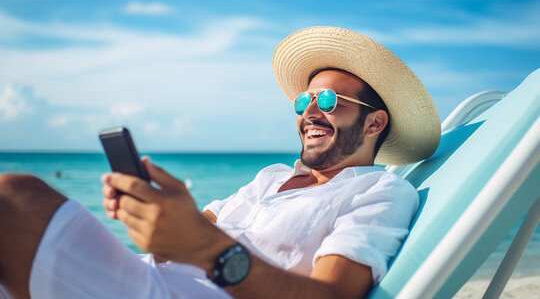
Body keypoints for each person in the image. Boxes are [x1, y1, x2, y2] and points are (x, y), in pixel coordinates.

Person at [0, 26, 440, 299]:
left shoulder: (380, 192)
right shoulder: (270, 179)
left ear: (373, 123)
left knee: (14, 199)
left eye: (327, 100)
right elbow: (190, 233)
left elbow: (333, 295)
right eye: (304, 100)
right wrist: (157, 218)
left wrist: (207, 249)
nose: (308, 111)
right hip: (147, 275)